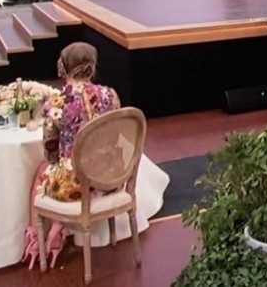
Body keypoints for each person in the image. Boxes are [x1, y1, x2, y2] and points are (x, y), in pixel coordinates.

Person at [22, 42, 169, 269]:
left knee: (43, 170)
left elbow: (50, 149)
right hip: (112, 177)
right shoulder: (110, 95)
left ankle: (36, 240)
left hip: (78, 186)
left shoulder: (57, 103)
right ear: (92, 66)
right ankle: (58, 228)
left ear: (64, 67)